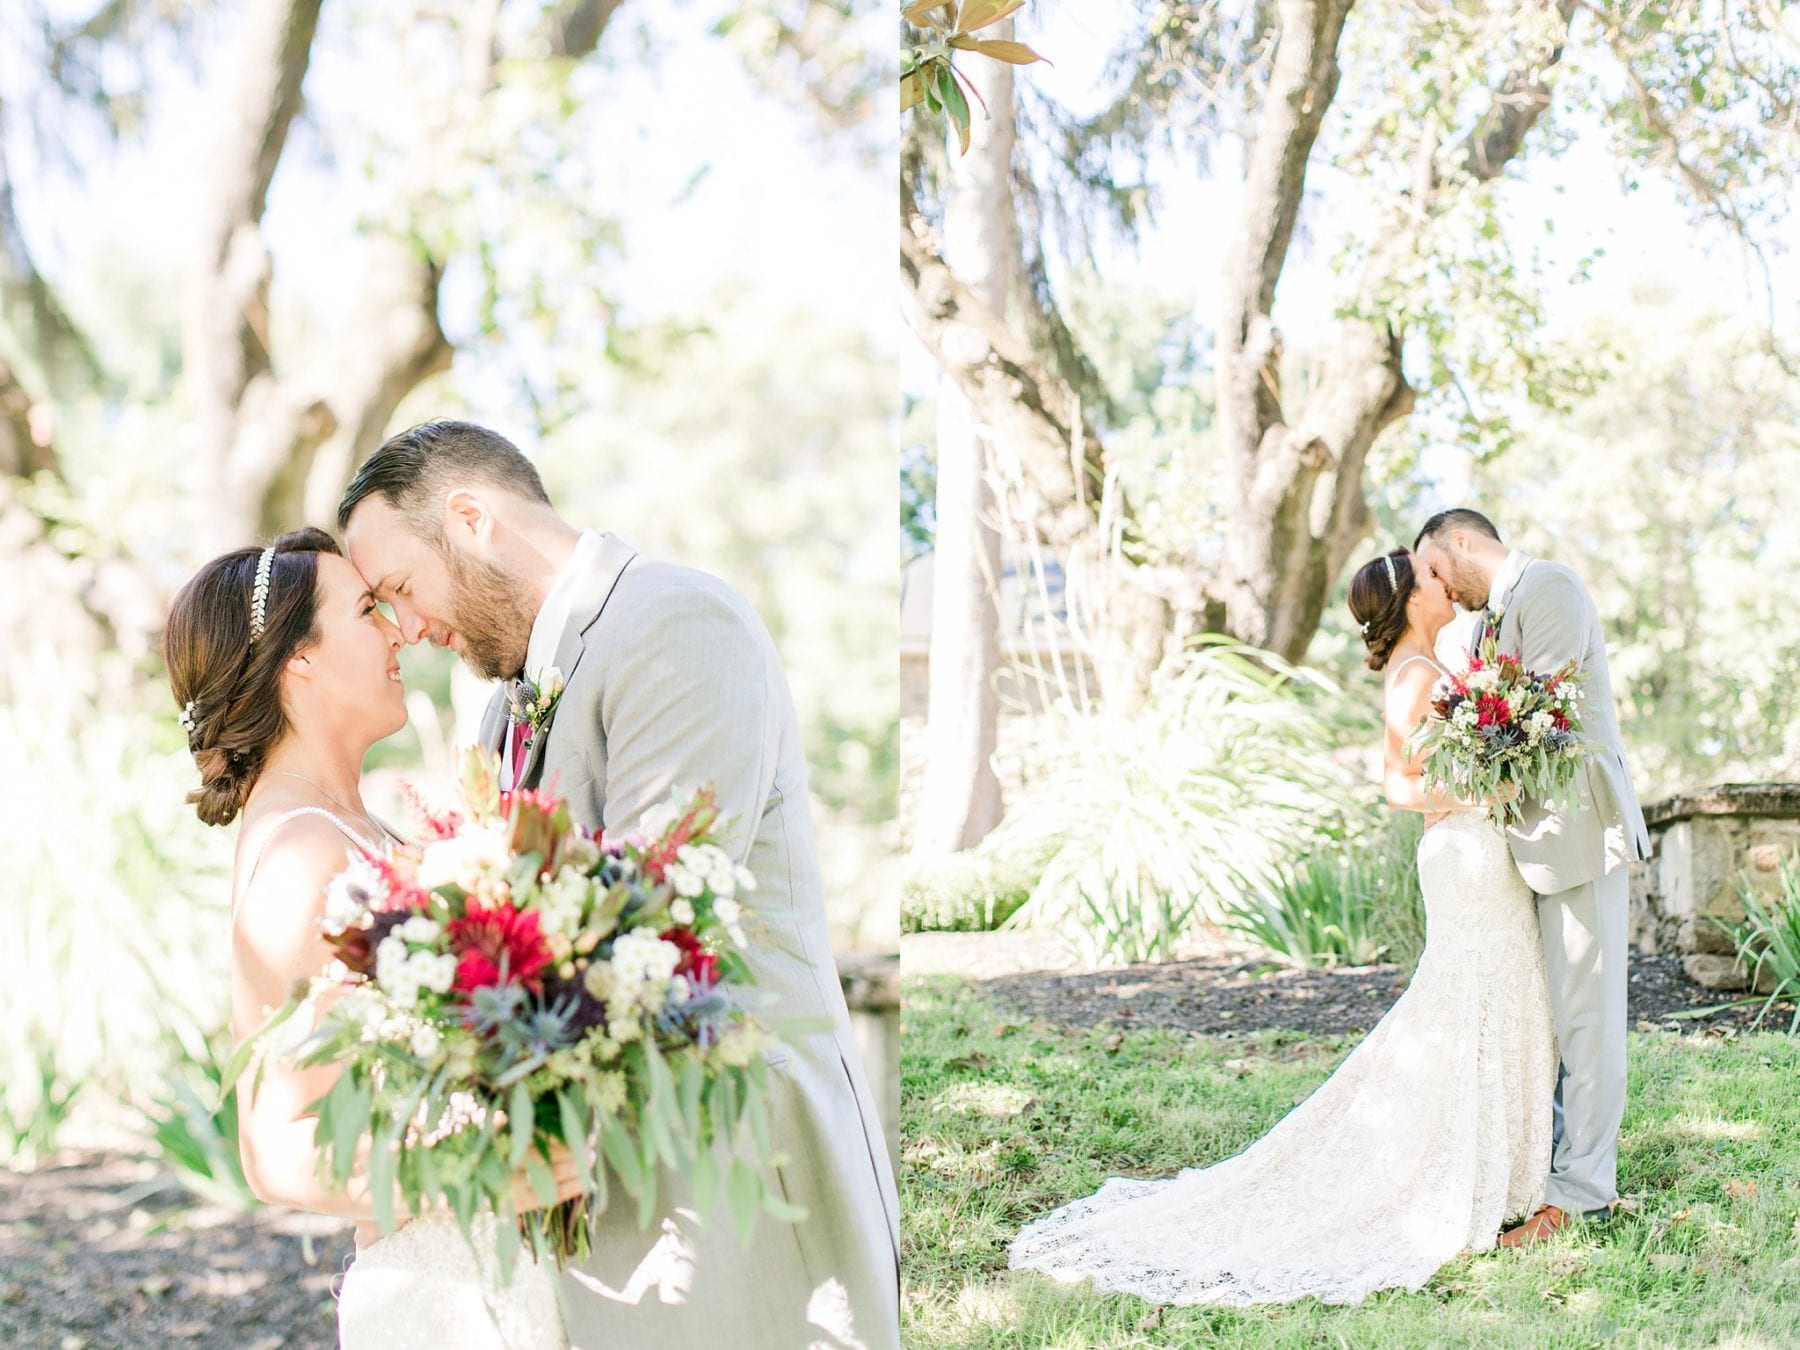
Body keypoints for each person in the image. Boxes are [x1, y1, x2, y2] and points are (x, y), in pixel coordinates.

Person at [337, 420, 901, 1350]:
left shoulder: (678, 624)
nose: (412, 627)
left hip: (740, 1171)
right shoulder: (499, 709)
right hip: (604, 1196)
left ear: (472, 519)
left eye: (401, 587)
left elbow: (655, 907)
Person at [1007, 546, 1556, 1306]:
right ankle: (1450, 1170)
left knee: (1490, 992)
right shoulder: (1418, 676)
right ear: (1408, 601)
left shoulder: (1432, 668)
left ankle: (1499, 1168)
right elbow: (1400, 785)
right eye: (1431, 577)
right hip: (1463, 854)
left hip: (1474, 853)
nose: (1445, 582)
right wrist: (1482, 788)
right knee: (1471, 997)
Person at [166, 526, 582, 1349]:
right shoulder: (301, 853)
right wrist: (501, 1169)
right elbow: (276, 1149)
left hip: (508, 1272)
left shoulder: (355, 828)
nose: (398, 630)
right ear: (300, 659)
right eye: (365, 609)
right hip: (451, 1295)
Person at [1413, 507, 1649, 1244]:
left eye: (1437, 571)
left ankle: (1579, 1194)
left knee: (1588, 1022)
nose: (1441, 592)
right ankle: (1540, 1169)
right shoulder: (1486, 624)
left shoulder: (1551, 590)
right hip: (1528, 848)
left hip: (1580, 832)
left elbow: (1532, 717)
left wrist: (1461, 777)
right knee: (1549, 1021)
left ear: (1461, 542)